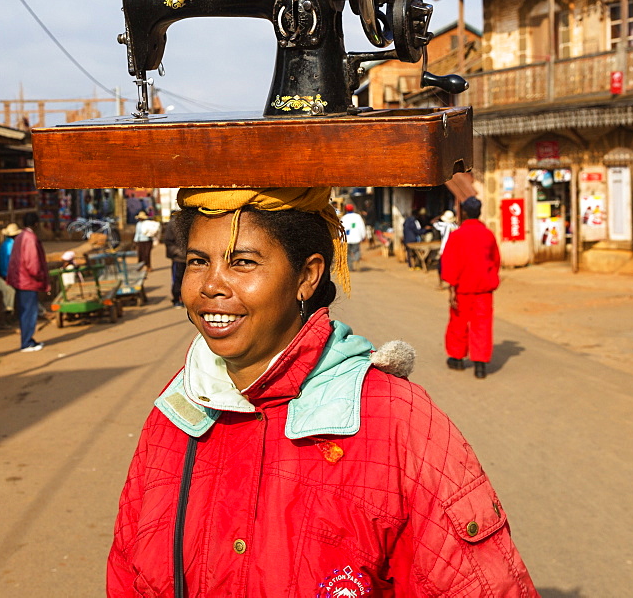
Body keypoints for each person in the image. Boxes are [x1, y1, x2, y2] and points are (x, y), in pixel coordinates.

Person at [107, 188, 538, 596]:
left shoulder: (399, 422)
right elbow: (126, 571)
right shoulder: (174, 411)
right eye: (198, 261)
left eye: (242, 263)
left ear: (307, 276)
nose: (210, 286)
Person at [440, 197, 501, 379]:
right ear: (479, 212)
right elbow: (495, 261)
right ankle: (480, 365)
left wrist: (451, 288)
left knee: (458, 323)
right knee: (482, 325)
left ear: (464, 212)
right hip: (484, 289)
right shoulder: (488, 234)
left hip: (462, 288)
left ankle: (457, 359)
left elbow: (450, 263)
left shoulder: (457, 235)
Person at [6, 211, 49, 352]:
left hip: (20, 279)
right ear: (36, 224)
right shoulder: (30, 239)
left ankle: (28, 339)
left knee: (26, 312)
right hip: (28, 280)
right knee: (29, 313)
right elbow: (33, 263)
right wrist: (40, 276)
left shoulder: (20, 237)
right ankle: (27, 342)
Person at [431, 209, 459, 288]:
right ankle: (452, 284)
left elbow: (433, 222)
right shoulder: (456, 227)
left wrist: (439, 216)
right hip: (454, 251)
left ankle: (440, 284)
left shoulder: (443, 225)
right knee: (453, 268)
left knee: (440, 267)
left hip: (444, 250)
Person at [340, 202, 367, 272]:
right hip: (356, 238)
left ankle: (350, 267)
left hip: (347, 239)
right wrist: (363, 236)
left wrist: (341, 239)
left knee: (348, 253)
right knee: (356, 251)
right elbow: (362, 227)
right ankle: (356, 262)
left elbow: (341, 229)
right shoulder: (357, 217)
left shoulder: (344, 218)